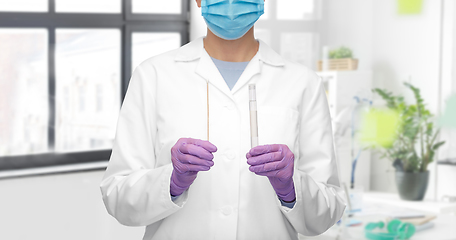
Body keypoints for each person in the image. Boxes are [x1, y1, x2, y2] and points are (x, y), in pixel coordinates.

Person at [100, 0, 346, 239]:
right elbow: (118, 197)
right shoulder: (153, 75)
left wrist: (291, 188)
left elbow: (328, 210)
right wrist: (172, 182)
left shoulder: (303, 83)